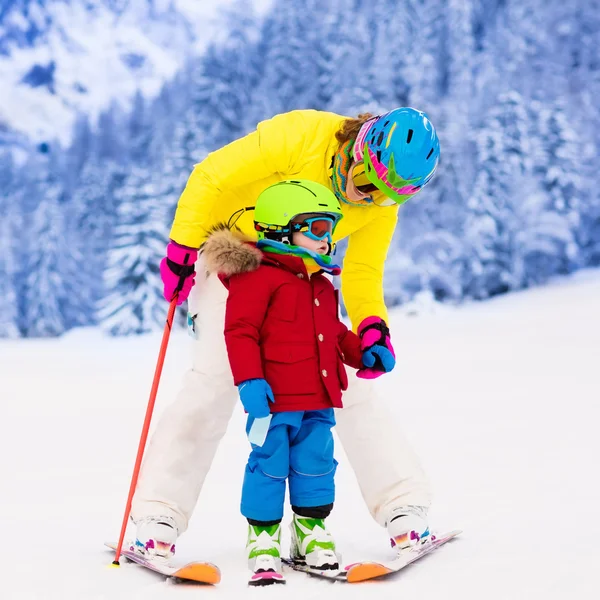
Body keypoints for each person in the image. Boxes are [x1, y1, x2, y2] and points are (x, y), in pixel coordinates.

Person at [132, 107, 440, 561]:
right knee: (216, 376)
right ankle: (159, 513)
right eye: (369, 185)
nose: (371, 200)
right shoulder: (301, 136)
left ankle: (402, 505)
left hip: (299, 280)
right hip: (231, 258)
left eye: (389, 198)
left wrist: (372, 326)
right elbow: (210, 176)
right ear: (359, 151)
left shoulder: (382, 201)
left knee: (345, 387)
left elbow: (363, 269)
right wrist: (181, 245)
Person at [201, 180, 393, 583]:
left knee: (317, 466)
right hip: (272, 399)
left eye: (330, 230)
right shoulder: (256, 279)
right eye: (318, 228)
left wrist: (362, 351)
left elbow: (333, 332)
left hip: (319, 397)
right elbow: (240, 331)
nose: (327, 240)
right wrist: (249, 381)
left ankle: (310, 534)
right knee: (269, 466)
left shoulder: (321, 285)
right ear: (280, 229)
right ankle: (263, 538)